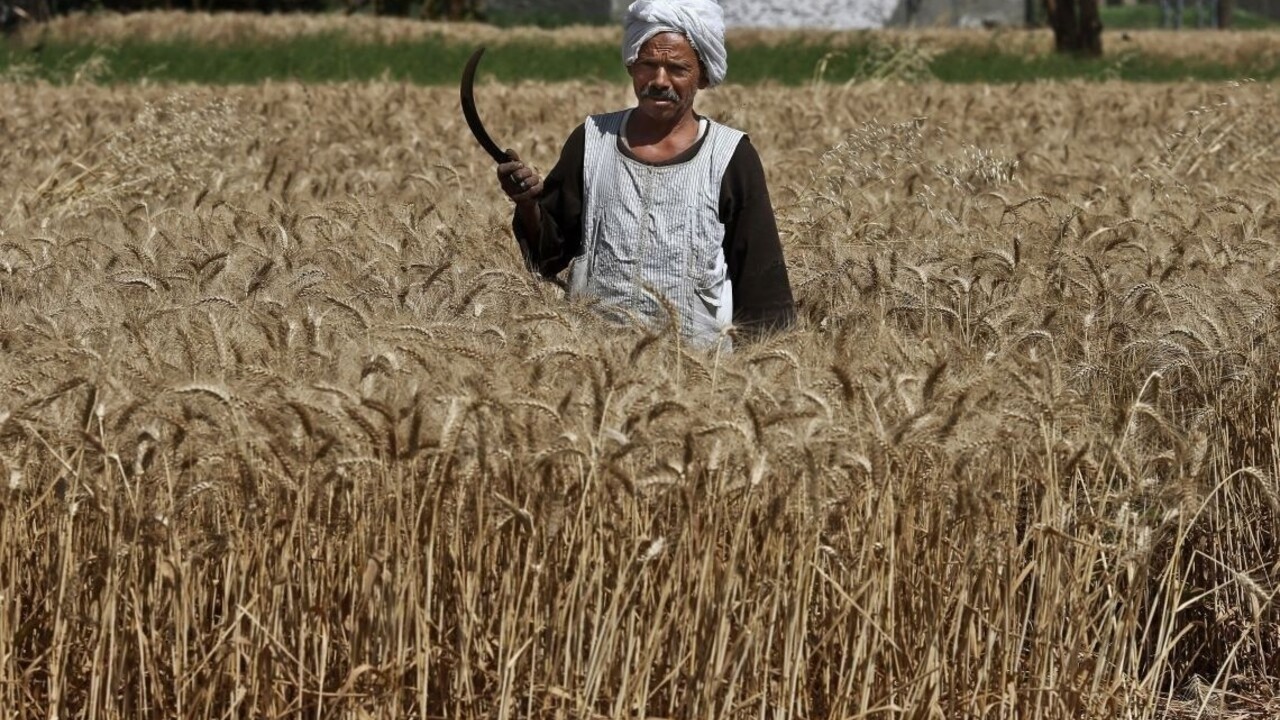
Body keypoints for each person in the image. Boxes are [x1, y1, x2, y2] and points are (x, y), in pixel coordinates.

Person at [497, 0, 795, 348]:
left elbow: (761, 286)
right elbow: (547, 255)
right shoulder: (592, 141)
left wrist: (764, 377)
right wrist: (529, 204)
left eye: (677, 68)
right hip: (595, 364)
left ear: (702, 75)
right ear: (631, 66)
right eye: (648, 64)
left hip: (695, 374)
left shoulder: (730, 157)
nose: (659, 80)